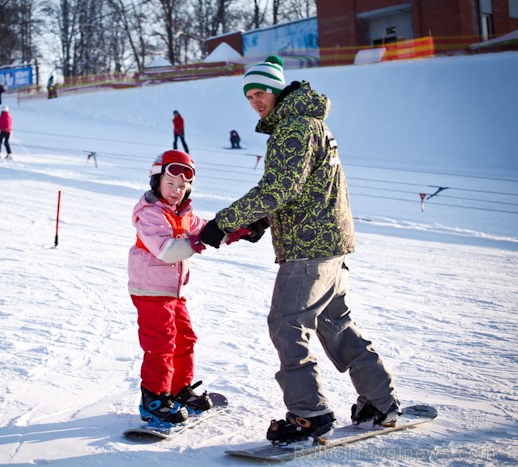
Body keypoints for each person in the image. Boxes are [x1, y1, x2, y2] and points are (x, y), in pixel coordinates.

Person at [199, 55, 400, 444]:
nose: (256, 101)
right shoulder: (311, 123)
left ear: (277, 90)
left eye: (260, 93)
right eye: (249, 96)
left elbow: (280, 189)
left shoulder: (293, 128)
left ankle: (310, 415)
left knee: (287, 324)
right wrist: (258, 222)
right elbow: (303, 191)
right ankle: (380, 402)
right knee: (335, 324)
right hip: (330, 245)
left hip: (309, 250)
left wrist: (223, 221)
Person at [127, 150, 253, 426]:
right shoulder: (149, 214)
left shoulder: (182, 213)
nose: (176, 191)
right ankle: (154, 399)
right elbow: (168, 252)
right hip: (149, 290)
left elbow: (205, 228)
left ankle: (178, 390)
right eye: (170, 184)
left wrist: (233, 231)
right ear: (156, 182)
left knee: (185, 339)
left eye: (182, 187)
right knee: (161, 344)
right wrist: (199, 242)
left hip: (174, 291)